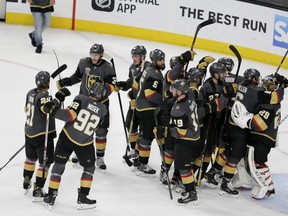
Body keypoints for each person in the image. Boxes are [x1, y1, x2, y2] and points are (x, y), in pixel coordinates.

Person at [204, 69, 284, 197]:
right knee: (235, 156)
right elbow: (274, 97)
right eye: (257, 79)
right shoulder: (258, 92)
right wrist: (281, 87)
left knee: (228, 151)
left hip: (229, 124)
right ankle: (226, 184)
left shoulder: (239, 85)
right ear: (253, 79)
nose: (259, 82)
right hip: (240, 130)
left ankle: (212, 173)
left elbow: (229, 79)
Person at [43, 81, 107, 210]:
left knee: (59, 165)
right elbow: (99, 126)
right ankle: (83, 197)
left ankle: (50, 195)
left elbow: (69, 115)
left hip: (67, 137)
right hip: (85, 143)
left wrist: (53, 110)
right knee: (89, 168)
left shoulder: (81, 98)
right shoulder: (104, 109)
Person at [56, 43, 116, 171]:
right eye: (92, 55)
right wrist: (66, 81)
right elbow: (78, 76)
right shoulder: (84, 62)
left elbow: (112, 87)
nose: (94, 57)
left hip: (101, 103)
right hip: (83, 101)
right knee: (78, 127)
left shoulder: (107, 67)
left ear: (101, 55)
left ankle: (100, 158)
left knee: (101, 131)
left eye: (97, 55)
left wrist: (100, 94)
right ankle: (78, 152)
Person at [233, 74, 287, 199]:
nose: (263, 84)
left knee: (258, 162)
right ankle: (249, 181)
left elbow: (259, 124)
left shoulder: (268, 103)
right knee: (253, 161)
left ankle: (269, 187)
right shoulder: (271, 99)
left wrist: (243, 119)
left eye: (266, 83)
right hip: (265, 137)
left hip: (262, 137)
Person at [23, 71, 69, 202]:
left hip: (29, 132)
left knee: (30, 158)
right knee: (45, 163)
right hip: (42, 135)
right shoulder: (44, 96)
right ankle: (38, 189)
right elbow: (48, 109)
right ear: (48, 83)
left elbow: (26, 109)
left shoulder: (30, 92)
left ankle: (26, 180)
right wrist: (59, 97)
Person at [115, 45, 151, 161]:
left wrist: (139, 99)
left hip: (145, 106)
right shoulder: (132, 67)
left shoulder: (148, 69)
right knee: (130, 125)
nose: (134, 58)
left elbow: (149, 89)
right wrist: (122, 85)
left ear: (143, 57)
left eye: (136, 56)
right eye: (133, 56)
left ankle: (141, 155)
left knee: (144, 132)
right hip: (134, 104)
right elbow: (131, 82)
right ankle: (133, 150)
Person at [133, 48, 166, 177]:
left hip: (139, 107)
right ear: (153, 61)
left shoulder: (147, 68)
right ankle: (142, 163)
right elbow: (150, 93)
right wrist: (162, 102)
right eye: (160, 60)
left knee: (142, 135)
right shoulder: (155, 74)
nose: (163, 62)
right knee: (147, 137)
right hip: (148, 109)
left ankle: (137, 157)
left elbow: (136, 84)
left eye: (163, 59)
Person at [170, 79, 201, 204]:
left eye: (174, 89)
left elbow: (179, 132)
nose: (172, 91)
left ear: (179, 91)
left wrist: (167, 130)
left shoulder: (178, 110)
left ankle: (191, 192)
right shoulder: (190, 95)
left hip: (186, 139)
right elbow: (194, 90)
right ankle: (190, 189)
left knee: (183, 167)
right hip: (196, 135)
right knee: (187, 165)